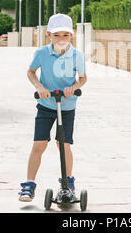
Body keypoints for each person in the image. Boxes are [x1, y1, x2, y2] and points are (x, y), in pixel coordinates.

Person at [19, 13, 87, 202]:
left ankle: (68, 182)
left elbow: (83, 78)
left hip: (67, 106)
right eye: (57, 35)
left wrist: (74, 88)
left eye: (65, 35)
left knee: (63, 144)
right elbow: (31, 72)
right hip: (46, 104)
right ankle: (29, 185)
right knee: (39, 144)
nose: (61, 39)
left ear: (71, 36)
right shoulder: (41, 53)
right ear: (49, 35)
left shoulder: (77, 56)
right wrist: (40, 87)